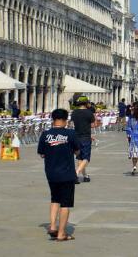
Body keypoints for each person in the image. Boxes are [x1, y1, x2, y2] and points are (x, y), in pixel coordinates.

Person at [37, 108, 80, 241]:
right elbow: (77, 151)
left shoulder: (45, 134)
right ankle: (61, 233)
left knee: (55, 199)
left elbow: (42, 153)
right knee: (65, 203)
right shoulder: (71, 134)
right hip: (67, 173)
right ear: (66, 120)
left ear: (53, 119)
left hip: (51, 173)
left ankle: (53, 226)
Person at [70, 96, 95, 183]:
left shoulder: (74, 112)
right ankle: (76, 173)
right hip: (85, 137)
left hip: (76, 137)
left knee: (80, 158)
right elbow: (92, 125)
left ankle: (85, 175)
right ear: (86, 103)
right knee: (86, 158)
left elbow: (72, 124)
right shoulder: (89, 113)